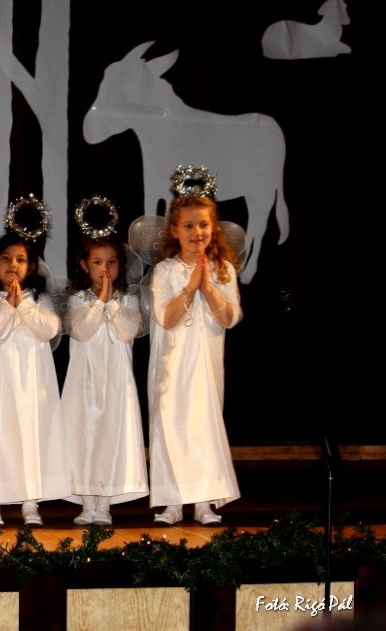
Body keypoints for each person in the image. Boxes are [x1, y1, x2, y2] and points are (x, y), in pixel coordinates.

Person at [147, 194, 242, 526]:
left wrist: (208, 288)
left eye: (203, 225)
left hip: (205, 362)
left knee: (203, 425)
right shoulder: (164, 271)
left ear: (213, 228)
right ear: (175, 230)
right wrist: (190, 287)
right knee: (170, 426)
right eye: (188, 226)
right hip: (172, 364)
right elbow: (165, 318)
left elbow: (230, 317)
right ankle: (172, 502)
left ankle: (204, 502)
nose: (196, 232)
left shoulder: (223, 270)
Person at [0, 232, 68, 527]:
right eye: (6, 259)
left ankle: (30, 501)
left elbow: (50, 329)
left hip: (33, 383)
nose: (13, 265)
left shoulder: (40, 300)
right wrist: (7, 307)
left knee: (31, 435)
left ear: (31, 267)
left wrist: (23, 306)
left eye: (20, 259)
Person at [60, 235, 148, 526]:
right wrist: (99, 303)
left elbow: (128, 330)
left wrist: (112, 304)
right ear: (85, 265)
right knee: (84, 438)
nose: (105, 269)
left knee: (112, 437)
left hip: (117, 384)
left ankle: (105, 504)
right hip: (84, 382)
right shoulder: (78, 300)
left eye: (111, 262)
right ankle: (87, 503)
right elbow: (81, 330)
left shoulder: (128, 300)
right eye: (97, 262)